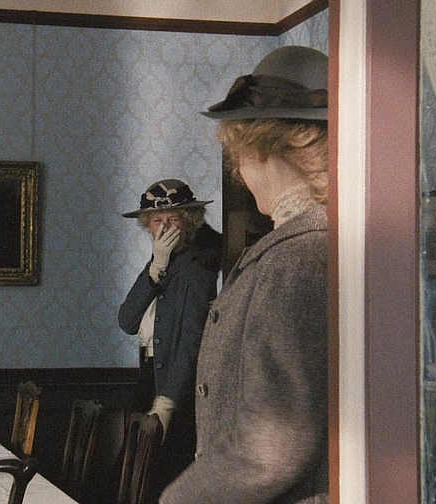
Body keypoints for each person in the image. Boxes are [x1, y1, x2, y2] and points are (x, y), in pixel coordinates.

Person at [160, 46, 330, 504]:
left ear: (268, 147)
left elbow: (271, 447)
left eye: (240, 154)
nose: (238, 170)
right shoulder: (307, 245)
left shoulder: (298, 257)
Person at [119, 179, 220, 498]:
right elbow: (126, 321)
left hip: (176, 390)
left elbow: (191, 344)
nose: (163, 228)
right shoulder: (161, 264)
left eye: (172, 219)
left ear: (189, 223)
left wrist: (166, 401)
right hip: (148, 378)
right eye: (156, 220)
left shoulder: (195, 271)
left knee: (162, 479)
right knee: (135, 477)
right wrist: (155, 267)